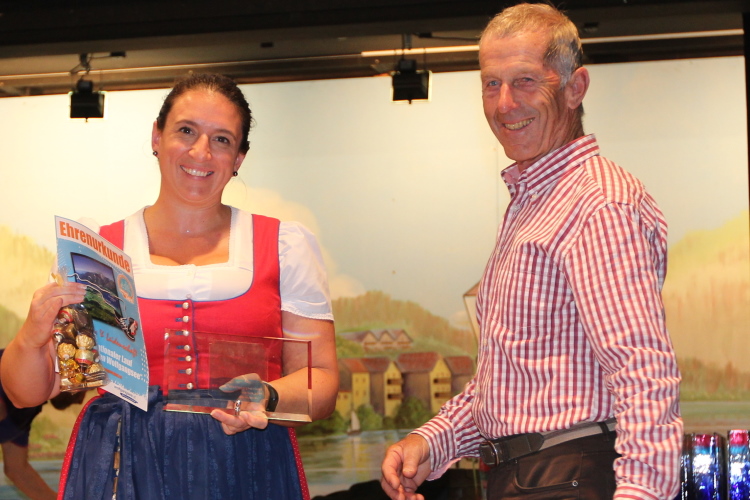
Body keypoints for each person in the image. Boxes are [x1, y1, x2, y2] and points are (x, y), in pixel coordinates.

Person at [381, 3, 682, 500]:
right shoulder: (537, 202)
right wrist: (432, 441)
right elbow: (517, 384)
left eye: (524, 81)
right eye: (490, 84)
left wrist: (643, 494)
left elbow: (642, 373)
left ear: (575, 87)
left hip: (567, 477)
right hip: (535, 476)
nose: (504, 104)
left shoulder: (597, 202)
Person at [1, 73, 339, 500]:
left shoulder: (284, 245)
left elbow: (322, 380)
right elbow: (29, 391)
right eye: (186, 131)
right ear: (156, 137)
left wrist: (269, 397)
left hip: (246, 461)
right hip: (124, 465)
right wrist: (32, 336)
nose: (201, 152)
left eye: (222, 139)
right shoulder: (97, 251)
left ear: (239, 157)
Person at [0, 348, 85, 500]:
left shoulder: (28, 404)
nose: (80, 401)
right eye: (84, 386)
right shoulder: (16, 370)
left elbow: (17, 470)